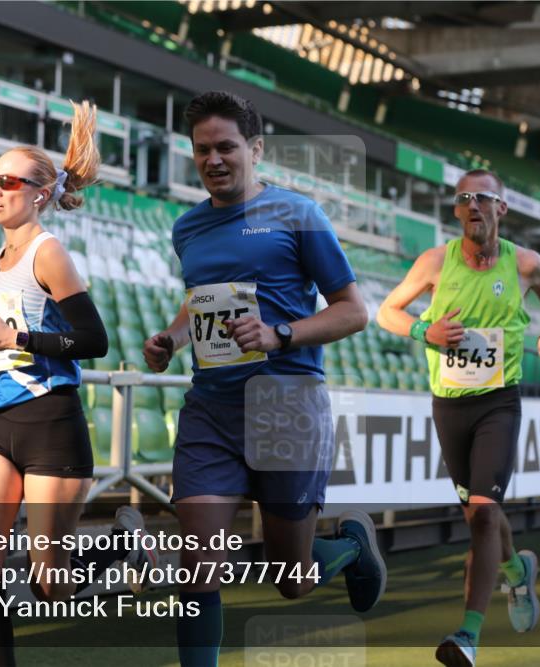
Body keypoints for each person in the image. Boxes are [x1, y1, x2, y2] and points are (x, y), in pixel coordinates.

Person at [142, 90, 387, 667]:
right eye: (202, 150)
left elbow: (353, 311)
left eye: (226, 147)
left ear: (255, 149)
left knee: (291, 580)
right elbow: (197, 303)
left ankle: (351, 547)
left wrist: (280, 334)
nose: (213, 160)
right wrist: (172, 341)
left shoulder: (299, 215)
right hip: (212, 409)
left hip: (286, 406)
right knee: (197, 564)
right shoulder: (188, 228)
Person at [0, 100, 156, 666]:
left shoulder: (49, 252)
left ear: (39, 193)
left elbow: (93, 340)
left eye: (8, 181)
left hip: (51, 424)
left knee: (49, 586)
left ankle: (120, 546)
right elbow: (0, 326)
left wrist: (12, 340)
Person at [377, 169, 540, 666]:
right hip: (449, 405)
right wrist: (425, 331)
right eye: (464, 199)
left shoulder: (525, 264)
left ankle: (468, 635)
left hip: (499, 402)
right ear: (457, 211)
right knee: (479, 514)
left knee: (483, 511)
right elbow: (386, 312)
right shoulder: (434, 263)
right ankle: (518, 572)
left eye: (484, 197)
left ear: (502, 209)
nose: (473, 205)